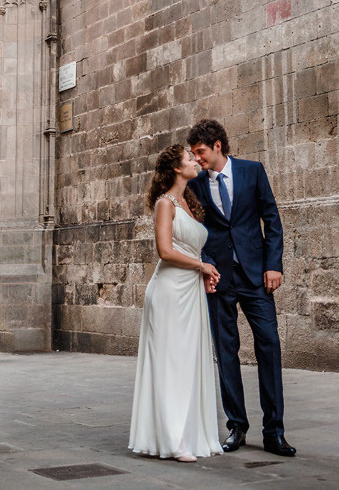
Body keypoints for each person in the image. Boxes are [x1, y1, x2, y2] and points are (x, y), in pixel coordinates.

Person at [186, 119, 296, 457]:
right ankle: (237, 426)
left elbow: (271, 219)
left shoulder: (252, 171)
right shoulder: (196, 185)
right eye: (193, 154)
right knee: (226, 353)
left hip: (255, 276)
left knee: (269, 347)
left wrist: (274, 264)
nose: (196, 158)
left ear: (217, 145)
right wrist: (205, 266)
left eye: (200, 151)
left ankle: (274, 432)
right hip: (219, 279)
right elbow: (196, 229)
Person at [129, 144, 223, 462]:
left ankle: (191, 434)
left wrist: (203, 272)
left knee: (189, 361)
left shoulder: (189, 203)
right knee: (171, 362)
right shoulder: (164, 203)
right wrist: (202, 267)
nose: (196, 160)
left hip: (190, 290)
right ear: (176, 169)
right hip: (169, 291)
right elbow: (166, 251)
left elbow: (191, 249)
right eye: (188, 158)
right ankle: (172, 439)